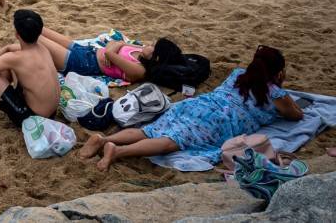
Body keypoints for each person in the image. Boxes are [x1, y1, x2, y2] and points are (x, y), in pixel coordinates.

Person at [80, 46, 303, 172]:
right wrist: (279, 84)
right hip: (219, 121)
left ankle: (104, 139)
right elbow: (296, 115)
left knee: (152, 129)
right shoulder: (276, 94)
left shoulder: (238, 74)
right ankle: (117, 151)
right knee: (171, 141)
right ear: (277, 72)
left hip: (198, 105)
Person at [37, 27, 177, 82]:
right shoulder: (141, 51)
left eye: (152, 46)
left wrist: (114, 49)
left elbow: (110, 51)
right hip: (88, 51)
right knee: (39, 28)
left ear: (156, 57)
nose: (147, 45)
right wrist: (116, 46)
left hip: (84, 64)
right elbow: (117, 42)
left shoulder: (139, 70)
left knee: (35, 36)